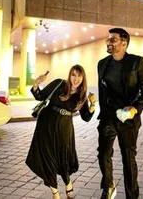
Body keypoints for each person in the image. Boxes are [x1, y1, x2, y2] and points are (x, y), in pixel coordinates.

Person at [26, 65, 97, 199]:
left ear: (83, 78)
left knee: (63, 158)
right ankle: (55, 194)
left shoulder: (81, 96)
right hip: (46, 126)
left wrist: (93, 105)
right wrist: (36, 84)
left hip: (65, 129)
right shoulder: (59, 84)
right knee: (48, 159)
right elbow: (40, 96)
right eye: (73, 75)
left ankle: (68, 183)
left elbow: (86, 117)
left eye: (79, 76)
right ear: (69, 75)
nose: (76, 79)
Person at [97, 28, 143, 199]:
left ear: (124, 43)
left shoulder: (137, 62)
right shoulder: (102, 64)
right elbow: (102, 91)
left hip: (128, 119)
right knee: (103, 154)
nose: (108, 42)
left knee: (128, 158)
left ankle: (132, 195)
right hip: (108, 117)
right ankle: (109, 187)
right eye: (108, 39)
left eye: (112, 40)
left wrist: (135, 108)